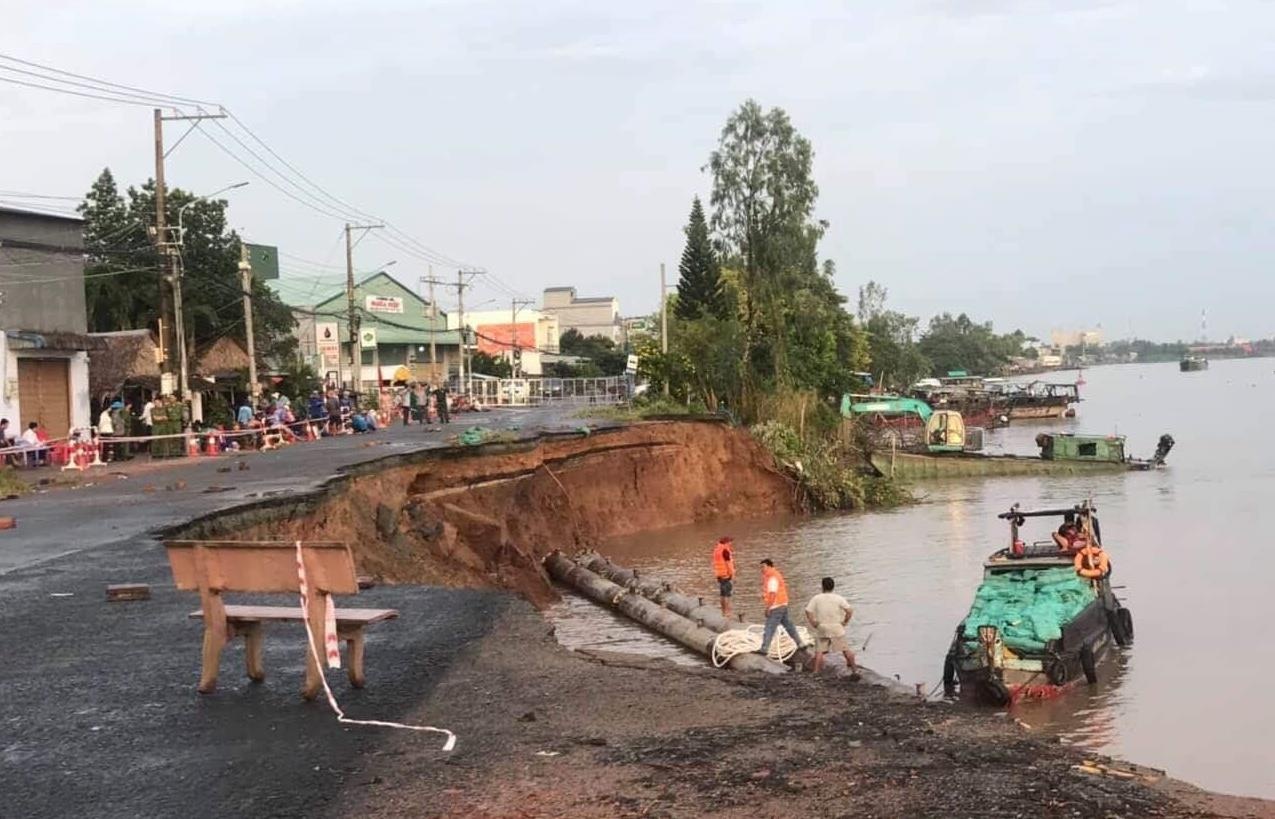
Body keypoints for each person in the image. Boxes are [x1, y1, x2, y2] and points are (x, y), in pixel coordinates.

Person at [804, 577, 860, 677]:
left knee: (819, 651)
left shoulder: (817, 598)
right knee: (845, 649)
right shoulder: (838, 598)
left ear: (822, 587)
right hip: (836, 627)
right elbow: (850, 611)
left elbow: (808, 611)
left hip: (822, 627)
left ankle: (816, 672)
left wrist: (813, 622)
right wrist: (845, 622)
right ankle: (855, 670)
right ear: (833, 587)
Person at [757, 558, 805, 658]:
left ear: (770, 566)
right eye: (761, 567)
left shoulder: (772, 578)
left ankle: (764, 649)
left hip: (776, 606)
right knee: (789, 625)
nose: (762, 569)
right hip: (783, 604)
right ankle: (800, 643)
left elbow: (773, 594)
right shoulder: (775, 575)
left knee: (769, 628)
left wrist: (768, 608)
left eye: (763, 567)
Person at [711, 536, 736, 618]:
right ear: (726, 542)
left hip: (719, 574)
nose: (731, 543)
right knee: (727, 594)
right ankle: (727, 612)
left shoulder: (717, 550)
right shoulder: (725, 551)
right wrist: (732, 574)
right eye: (730, 542)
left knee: (722, 593)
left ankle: (723, 611)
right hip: (726, 574)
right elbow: (728, 563)